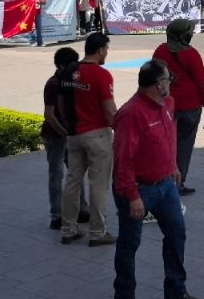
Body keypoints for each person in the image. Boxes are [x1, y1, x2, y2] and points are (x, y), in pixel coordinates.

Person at [112, 60, 197, 299]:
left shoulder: (168, 102)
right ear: (159, 84)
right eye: (168, 78)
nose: (170, 82)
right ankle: (124, 294)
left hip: (165, 185)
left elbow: (168, 136)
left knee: (176, 233)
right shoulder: (131, 114)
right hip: (137, 190)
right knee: (129, 244)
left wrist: (173, 165)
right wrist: (132, 196)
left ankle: (176, 291)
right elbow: (123, 160)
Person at [59, 32, 118, 246]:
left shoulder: (68, 72)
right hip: (97, 135)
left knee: (72, 182)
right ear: (101, 49)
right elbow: (109, 109)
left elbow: (62, 105)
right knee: (98, 184)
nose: (107, 54)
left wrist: (69, 126)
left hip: (74, 134)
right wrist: (120, 129)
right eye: (106, 50)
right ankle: (97, 233)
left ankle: (68, 229)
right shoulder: (101, 75)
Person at [153, 19, 204, 196]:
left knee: (165, 144)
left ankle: (163, 180)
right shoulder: (191, 54)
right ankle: (178, 183)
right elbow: (202, 83)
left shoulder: (160, 50)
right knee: (184, 145)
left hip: (164, 106)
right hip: (189, 106)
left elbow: (152, 76)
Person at [42, 47, 89, 230]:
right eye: (71, 65)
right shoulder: (53, 83)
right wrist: (64, 134)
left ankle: (82, 209)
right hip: (55, 136)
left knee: (76, 172)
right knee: (56, 175)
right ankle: (57, 215)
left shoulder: (70, 82)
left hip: (69, 134)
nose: (74, 69)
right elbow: (49, 115)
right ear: (61, 66)